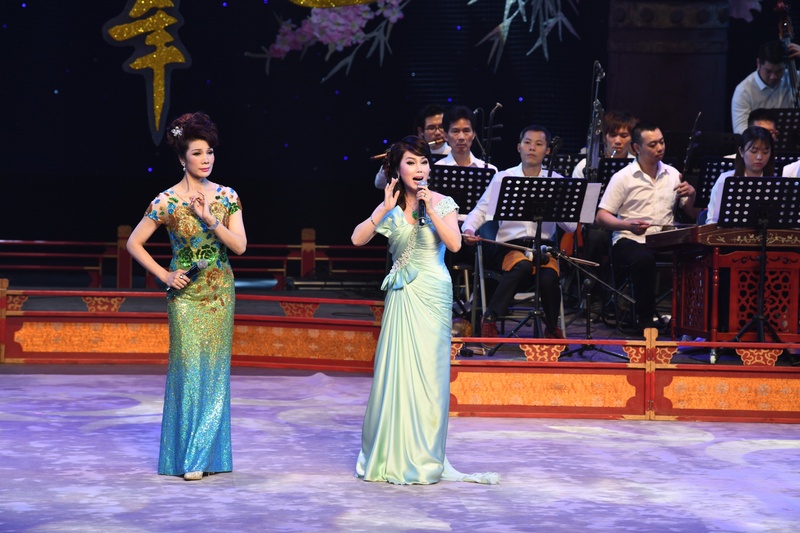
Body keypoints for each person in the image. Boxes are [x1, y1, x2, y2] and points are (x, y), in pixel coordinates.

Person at [352, 135, 498, 485]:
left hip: (433, 292)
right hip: (403, 295)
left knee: (430, 377)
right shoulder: (390, 205)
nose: (419, 168)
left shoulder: (443, 202)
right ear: (397, 169)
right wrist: (381, 210)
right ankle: (391, 454)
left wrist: (429, 208)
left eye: (423, 162)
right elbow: (357, 239)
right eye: (411, 162)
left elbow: (455, 244)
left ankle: (425, 455)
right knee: (397, 373)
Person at [126, 112, 247, 481]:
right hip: (185, 296)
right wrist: (164, 274)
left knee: (215, 372)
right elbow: (134, 243)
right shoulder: (165, 201)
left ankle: (208, 456)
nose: (206, 159)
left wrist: (210, 218)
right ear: (182, 158)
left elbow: (239, 246)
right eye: (197, 153)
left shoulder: (227, 196)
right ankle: (189, 457)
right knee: (188, 372)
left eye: (210, 152)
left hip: (219, 294)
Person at [462, 125, 577, 341]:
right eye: (527, 142)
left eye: (539, 144)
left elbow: (570, 227)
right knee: (522, 265)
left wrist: (554, 205)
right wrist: (468, 229)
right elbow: (481, 210)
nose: (532, 148)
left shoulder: (556, 180)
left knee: (549, 276)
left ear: (547, 151)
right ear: (519, 147)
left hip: (543, 249)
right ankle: (490, 318)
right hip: (509, 247)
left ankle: (552, 328)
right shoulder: (503, 177)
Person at [595, 121, 701, 331]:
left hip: (665, 239)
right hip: (630, 238)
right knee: (643, 259)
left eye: (662, 142)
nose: (660, 148)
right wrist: (627, 225)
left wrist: (692, 195)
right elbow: (601, 216)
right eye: (653, 145)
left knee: (697, 256)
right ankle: (644, 321)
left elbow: (693, 214)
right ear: (637, 148)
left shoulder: (673, 174)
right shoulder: (623, 177)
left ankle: (688, 320)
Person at [706, 126, 776, 224]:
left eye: (765, 152)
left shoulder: (776, 182)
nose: (759, 157)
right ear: (741, 152)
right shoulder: (725, 180)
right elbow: (712, 220)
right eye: (754, 151)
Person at [731, 40, 800, 134]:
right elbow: (741, 133)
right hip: (760, 143)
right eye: (768, 71)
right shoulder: (744, 91)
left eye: (779, 71)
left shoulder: (794, 78)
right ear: (758, 63)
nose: (773, 76)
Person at [374, 104, 451, 188]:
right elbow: (379, 185)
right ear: (421, 131)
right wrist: (390, 162)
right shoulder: (409, 152)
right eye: (431, 128)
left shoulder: (454, 154)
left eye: (441, 127)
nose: (438, 132)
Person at [572, 110, 638, 179]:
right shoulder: (585, 165)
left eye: (624, 136)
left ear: (632, 138)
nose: (618, 141)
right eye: (613, 135)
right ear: (604, 137)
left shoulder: (637, 165)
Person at [436, 105, 498, 171]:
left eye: (466, 131)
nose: (461, 137)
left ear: (473, 134)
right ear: (445, 136)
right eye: (455, 131)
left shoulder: (489, 169)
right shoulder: (437, 169)